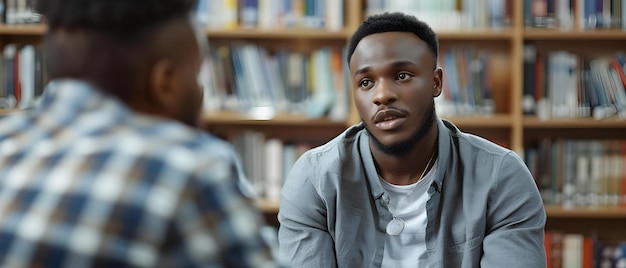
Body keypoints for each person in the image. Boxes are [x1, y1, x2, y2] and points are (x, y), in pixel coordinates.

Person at [0, 0, 276, 267]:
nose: (201, 90)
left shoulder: (6, 140)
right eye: (196, 73)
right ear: (165, 83)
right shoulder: (188, 169)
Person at [278, 12, 546, 267]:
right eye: (366, 82)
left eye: (402, 75)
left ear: (436, 82)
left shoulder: (501, 177)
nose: (382, 95)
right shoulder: (315, 179)